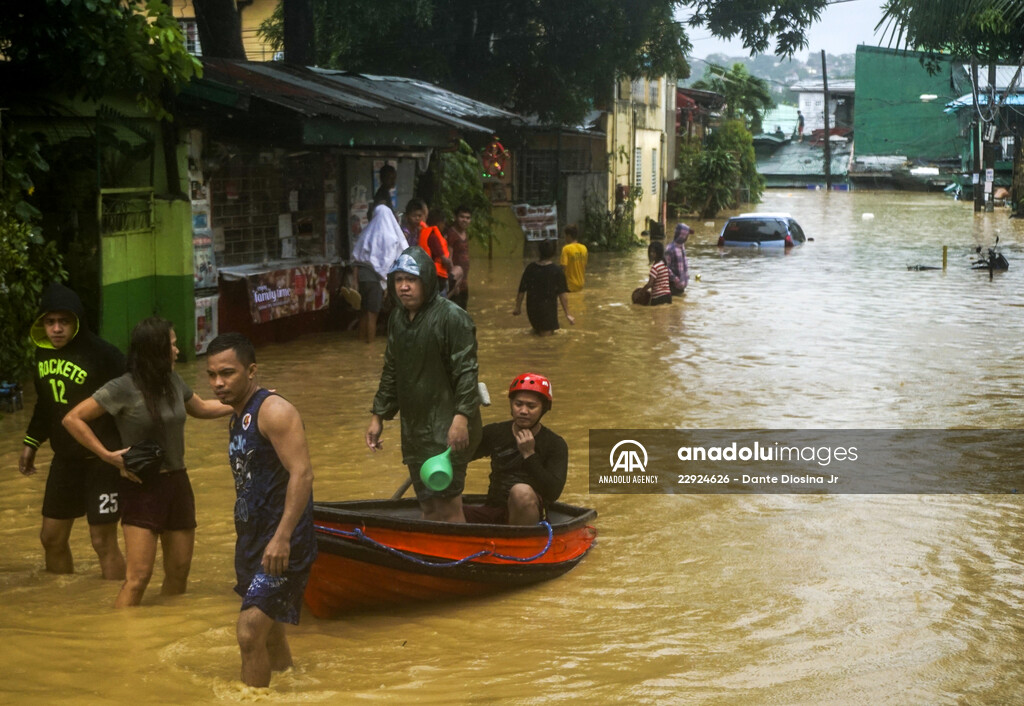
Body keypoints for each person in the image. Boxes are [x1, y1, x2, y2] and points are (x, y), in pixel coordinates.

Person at [63, 317, 231, 607]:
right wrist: (107, 456)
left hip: (178, 483)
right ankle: (123, 642)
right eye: (173, 345)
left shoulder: (174, 381)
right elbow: (72, 419)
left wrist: (248, 400)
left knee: (179, 574)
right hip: (142, 487)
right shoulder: (122, 387)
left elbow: (201, 408)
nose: (177, 351)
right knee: (138, 578)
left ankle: (168, 632)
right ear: (156, 350)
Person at [205, 333, 316, 689]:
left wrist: (282, 538)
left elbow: (303, 473)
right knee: (270, 636)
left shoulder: (274, 411)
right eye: (212, 375)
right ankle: (288, 690)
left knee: (249, 631)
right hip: (253, 542)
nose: (218, 383)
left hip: (284, 543)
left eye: (228, 373)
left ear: (251, 370)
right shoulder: (237, 416)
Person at [365, 247, 483, 522]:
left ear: (427, 281)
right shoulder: (397, 318)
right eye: (398, 280)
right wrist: (377, 416)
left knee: (448, 507)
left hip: (449, 425)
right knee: (428, 507)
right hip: (415, 426)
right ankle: (434, 561)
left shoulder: (453, 317)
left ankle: (458, 562)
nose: (404, 287)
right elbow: (391, 370)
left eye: (412, 280)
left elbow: (467, 372)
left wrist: (461, 418)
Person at [19, 282, 126, 579]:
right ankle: (61, 602)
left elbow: (132, 398)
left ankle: (118, 613)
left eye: (64, 322)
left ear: (77, 322)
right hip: (65, 461)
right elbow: (46, 403)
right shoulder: (41, 355)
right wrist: (31, 442)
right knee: (50, 538)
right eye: (50, 322)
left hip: (102, 462)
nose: (56, 329)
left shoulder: (104, 354)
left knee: (102, 541)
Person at [465, 373, 567, 526]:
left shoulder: (555, 444)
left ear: (543, 409)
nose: (523, 411)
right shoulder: (495, 432)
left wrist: (529, 454)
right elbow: (461, 455)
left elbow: (553, 493)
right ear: (511, 405)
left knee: (520, 492)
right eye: (518, 404)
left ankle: (524, 543)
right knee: (443, 504)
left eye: (531, 406)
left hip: (529, 515)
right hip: (493, 510)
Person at [351, 204, 406, 343]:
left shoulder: (367, 232)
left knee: (364, 312)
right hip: (375, 278)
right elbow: (391, 261)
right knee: (372, 314)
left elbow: (356, 258)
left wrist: (355, 282)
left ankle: (360, 343)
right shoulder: (392, 237)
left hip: (363, 275)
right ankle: (369, 347)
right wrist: (387, 281)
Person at [513, 239, 575, 335]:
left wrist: (518, 308)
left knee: (537, 333)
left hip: (532, 310)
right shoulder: (557, 271)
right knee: (546, 343)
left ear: (539, 251)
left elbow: (521, 290)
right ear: (553, 253)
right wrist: (568, 314)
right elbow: (563, 295)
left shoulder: (530, 268)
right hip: (548, 311)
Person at [401, 198, 454, 297]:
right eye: (414, 216)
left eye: (420, 216)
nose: (417, 218)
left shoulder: (420, 231)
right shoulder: (405, 233)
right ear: (407, 217)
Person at [445, 205, 472, 310]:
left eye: (468, 218)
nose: (465, 220)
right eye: (462, 217)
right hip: (456, 281)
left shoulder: (465, 233)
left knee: (463, 313)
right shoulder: (451, 234)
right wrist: (454, 285)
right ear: (455, 217)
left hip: (464, 281)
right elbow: (449, 258)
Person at [642, 241, 672, 306]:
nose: (651, 254)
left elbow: (650, 284)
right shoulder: (664, 264)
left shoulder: (655, 267)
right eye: (650, 252)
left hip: (658, 298)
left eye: (653, 252)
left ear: (659, 253)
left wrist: (642, 291)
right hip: (668, 296)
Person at [559, 224, 588, 293]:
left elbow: (563, 267)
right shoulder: (584, 248)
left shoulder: (566, 249)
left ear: (568, 236)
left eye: (565, 236)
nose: (565, 238)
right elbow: (584, 265)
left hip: (569, 285)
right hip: (581, 284)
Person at [665, 223, 690, 297]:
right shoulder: (670, 249)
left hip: (681, 286)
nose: (687, 237)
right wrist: (676, 280)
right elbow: (666, 268)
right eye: (687, 235)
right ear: (682, 235)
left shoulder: (682, 247)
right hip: (673, 286)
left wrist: (686, 277)